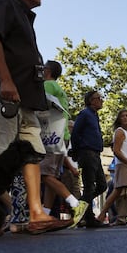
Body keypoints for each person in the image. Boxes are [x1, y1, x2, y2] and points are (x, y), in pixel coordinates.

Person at [0, 0, 72, 234]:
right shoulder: (2, 4)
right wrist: (6, 80)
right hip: (2, 97)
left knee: (33, 153)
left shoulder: (26, 19)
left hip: (26, 102)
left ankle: (36, 214)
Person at [39, 60, 88, 228]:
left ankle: (76, 204)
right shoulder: (58, 88)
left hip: (51, 134)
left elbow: (40, 108)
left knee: (44, 175)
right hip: (62, 135)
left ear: (47, 71)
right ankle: (45, 215)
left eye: (43, 67)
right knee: (51, 176)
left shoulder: (48, 85)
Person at [95, 109, 127, 225]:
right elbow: (117, 151)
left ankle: (102, 215)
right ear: (119, 119)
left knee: (119, 192)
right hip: (125, 165)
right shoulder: (119, 132)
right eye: (123, 116)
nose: (125, 118)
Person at [70, 90, 107, 227]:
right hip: (87, 153)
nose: (101, 100)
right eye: (99, 98)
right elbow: (75, 133)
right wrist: (76, 151)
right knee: (89, 186)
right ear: (91, 101)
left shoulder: (94, 116)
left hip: (96, 154)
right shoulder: (85, 114)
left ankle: (81, 204)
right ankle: (89, 218)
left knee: (102, 185)